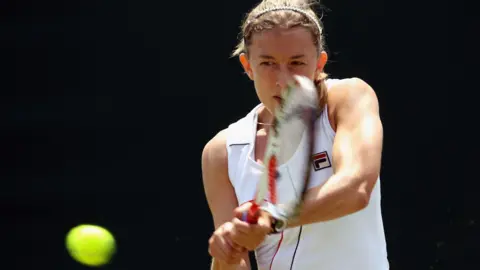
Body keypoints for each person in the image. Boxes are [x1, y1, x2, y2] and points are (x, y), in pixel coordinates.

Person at [201, 0, 389, 269]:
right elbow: (236, 263)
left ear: (319, 63)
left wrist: (273, 217)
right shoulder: (221, 152)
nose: (283, 80)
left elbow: (356, 187)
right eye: (268, 63)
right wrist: (225, 252)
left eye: (297, 62)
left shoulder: (347, 98)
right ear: (247, 65)